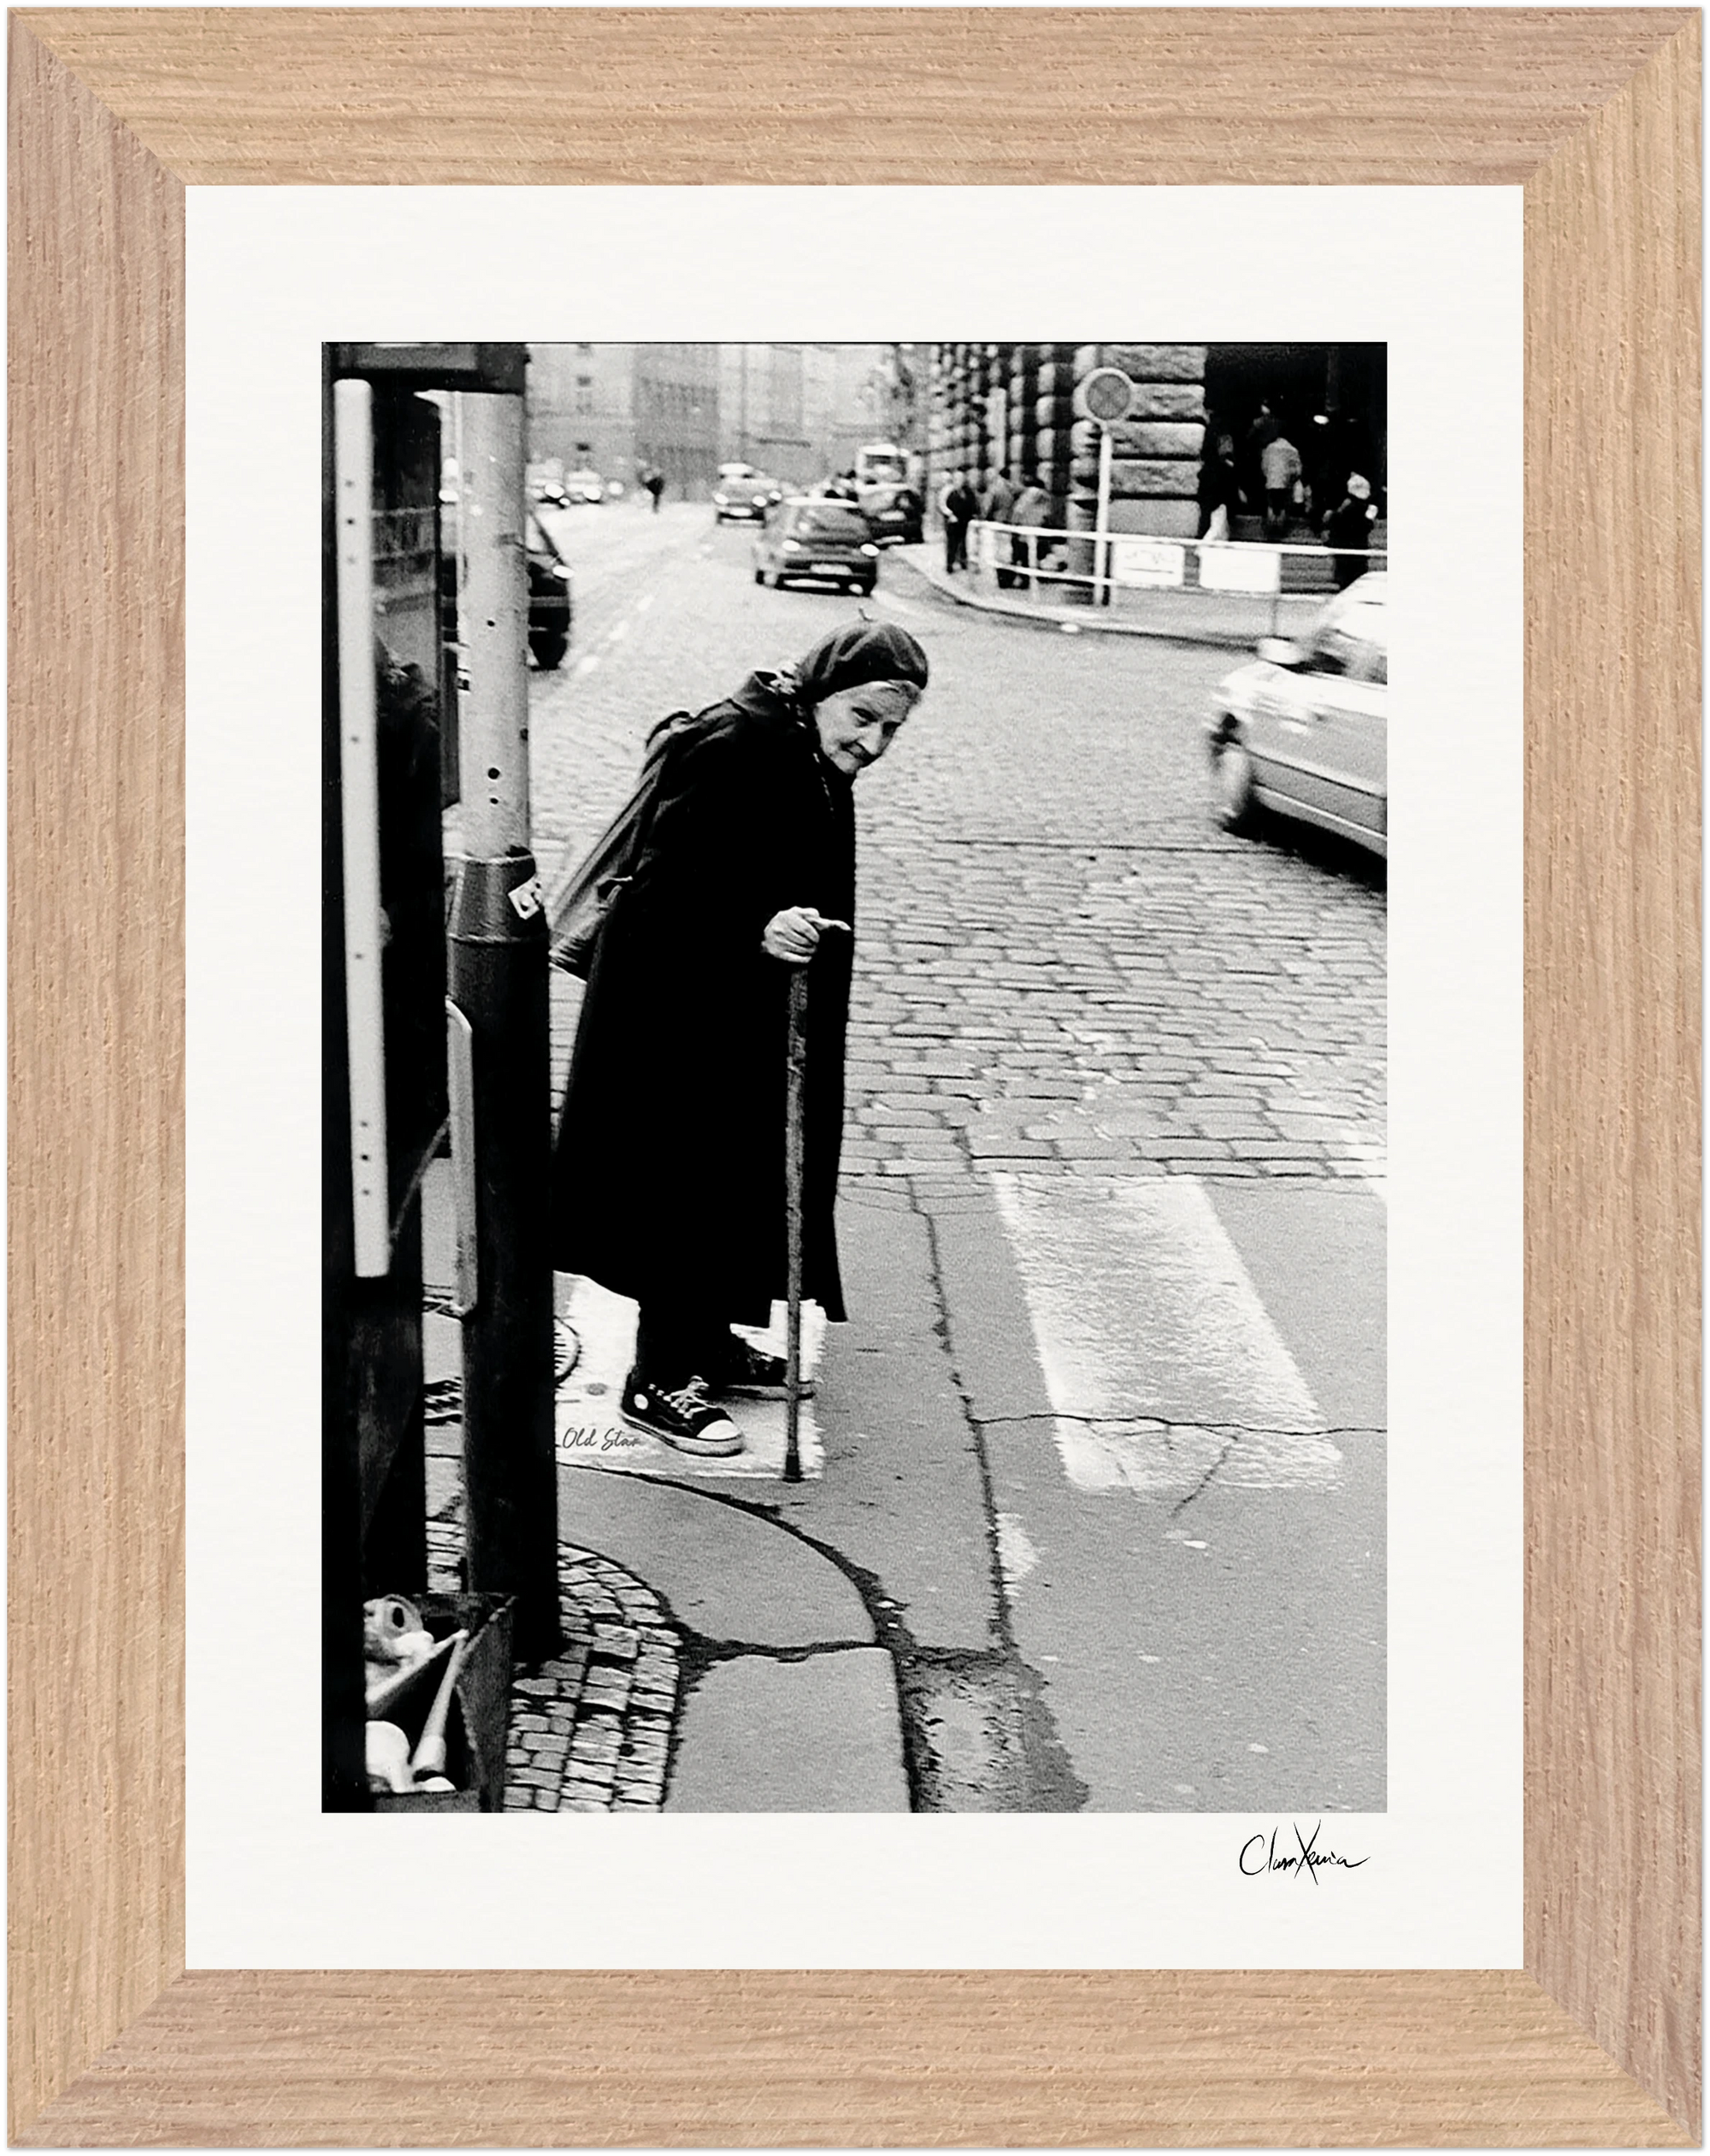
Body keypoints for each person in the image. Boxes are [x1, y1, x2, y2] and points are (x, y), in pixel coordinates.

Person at [550, 621, 931, 1457]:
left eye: (890, 730)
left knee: (742, 1174)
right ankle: (656, 1378)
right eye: (862, 716)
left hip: (749, 1010)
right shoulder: (731, 743)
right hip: (679, 1018)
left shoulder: (804, 745)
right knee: (688, 1180)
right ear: (821, 688)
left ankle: (709, 1339)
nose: (870, 742)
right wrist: (755, 931)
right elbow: (655, 896)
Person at [1323, 471, 1380, 589]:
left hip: (1344, 548)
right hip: (1356, 548)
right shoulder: (1365, 509)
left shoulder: (1344, 508)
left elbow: (1333, 523)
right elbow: (1365, 527)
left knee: (1345, 580)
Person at [1009, 473, 1053, 592]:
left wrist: (1014, 526)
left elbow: (1018, 511)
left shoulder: (1028, 495)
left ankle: (1024, 579)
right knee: (1032, 556)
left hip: (1024, 530)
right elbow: (1047, 514)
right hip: (1038, 530)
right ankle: (1029, 577)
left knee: (1023, 556)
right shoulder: (1045, 497)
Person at [1195, 433, 1241, 542]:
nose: (1230, 447)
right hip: (1219, 506)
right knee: (1216, 533)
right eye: (1228, 445)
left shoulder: (1209, 466)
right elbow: (1231, 491)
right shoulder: (1227, 467)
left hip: (1210, 505)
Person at [1259, 429, 1302, 539]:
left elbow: (1264, 466)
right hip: (1285, 484)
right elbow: (1298, 471)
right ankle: (1280, 532)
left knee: (1271, 506)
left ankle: (1270, 531)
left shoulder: (1269, 448)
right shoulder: (1293, 450)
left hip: (1271, 483)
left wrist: (1269, 476)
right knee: (1282, 507)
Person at [980, 468, 1018, 585]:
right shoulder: (1013, 488)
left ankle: (1002, 580)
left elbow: (987, 507)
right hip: (1011, 523)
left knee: (999, 553)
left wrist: (984, 518)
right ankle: (1009, 577)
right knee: (1008, 552)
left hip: (998, 523)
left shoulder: (994, 488)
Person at [940, 469, 976, 574]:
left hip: (964, 522)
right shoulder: (950, 492)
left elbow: (972, 504)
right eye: (957, 479)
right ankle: (950, 564)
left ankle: (963, 562)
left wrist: (972, 515)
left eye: (961, 479)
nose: (959, 481)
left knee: (963, 543)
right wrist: (950, 515)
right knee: (952, 544)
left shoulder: (968, 492)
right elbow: (943, 505)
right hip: (953, 522)